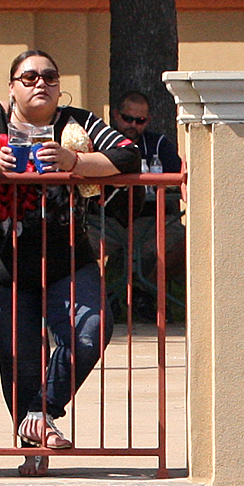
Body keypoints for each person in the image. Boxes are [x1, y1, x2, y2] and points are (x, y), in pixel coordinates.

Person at [0, 49, 139, 475]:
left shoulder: (77, 122)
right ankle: (34, 446)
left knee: (90, 332)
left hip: (69, 259)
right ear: (12, 87)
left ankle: (41, 411)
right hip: (4, 266)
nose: (40, 84)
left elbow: (127, 155)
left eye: (49, 77)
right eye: (29, 77)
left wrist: (75, 162)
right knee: (19, 362)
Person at [96, 89, 184, 322]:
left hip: (151, 218)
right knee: (76, 245)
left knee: (188, 243)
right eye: (127, 118)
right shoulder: (99, 142)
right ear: (116, 115)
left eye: (140, 120)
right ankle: (101, 297)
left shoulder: (159, 144)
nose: (133, 125)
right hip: (106, 219)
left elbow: (178, 178)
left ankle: (145, 292)